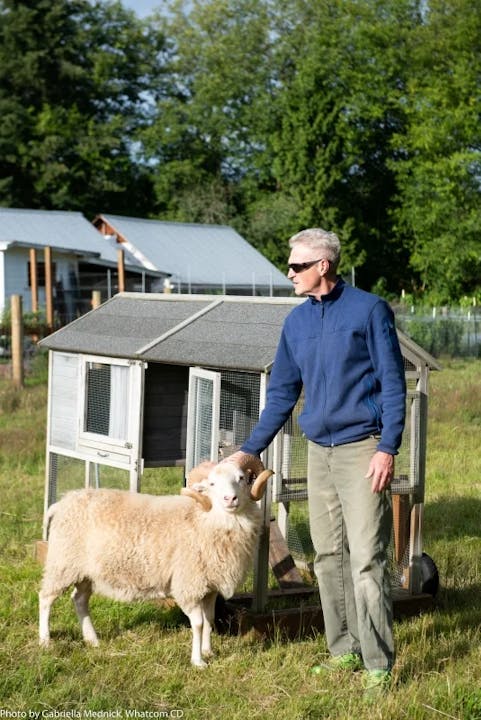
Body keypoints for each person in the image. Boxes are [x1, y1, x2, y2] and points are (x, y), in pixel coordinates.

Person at [227, 227, 406, 698]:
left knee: (368, 559)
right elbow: (282, 393)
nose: (289, 273)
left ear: (323, 266)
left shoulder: (368, 310)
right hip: (319, 451)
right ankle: (343, 647)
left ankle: (377, 663)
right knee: (328, 557)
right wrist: (250, 449)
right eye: (290, 265)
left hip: (364, 449)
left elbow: (392, 382)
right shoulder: (296, 323)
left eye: (297, 266)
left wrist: (388, 446)